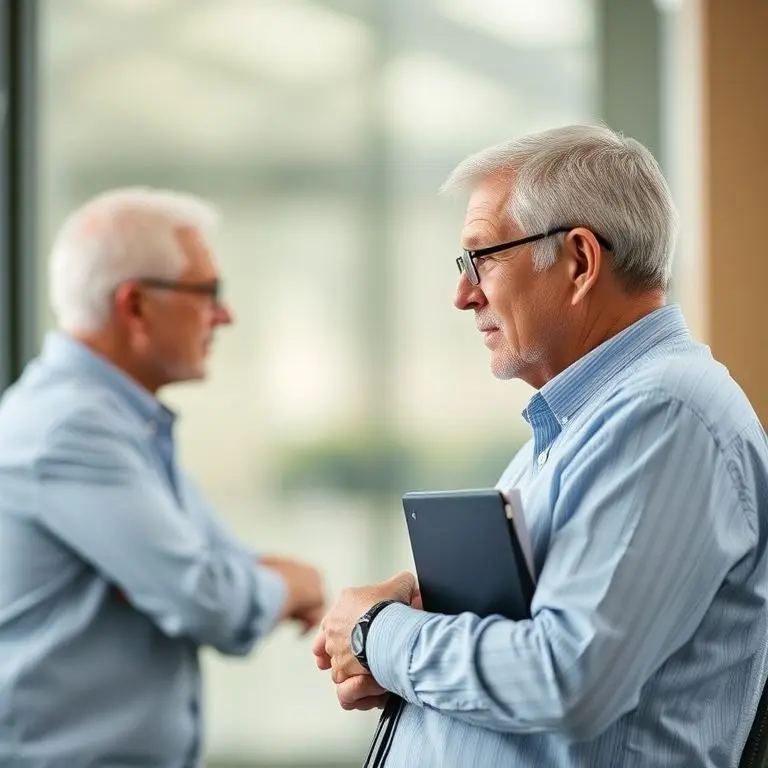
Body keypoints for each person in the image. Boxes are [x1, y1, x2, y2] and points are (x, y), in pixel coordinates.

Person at [313, 124, 768, 766]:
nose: (462, 294)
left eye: (483, 257)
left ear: (580, 262)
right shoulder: (579, 424)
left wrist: (378, 634)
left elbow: (566, 679)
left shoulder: (666, 415)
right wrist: (421, 614)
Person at [0, 188, 326, 767]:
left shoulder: (120, 419)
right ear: (136, 306)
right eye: (208, 294)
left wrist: (208, 578)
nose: (224, 316)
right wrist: (293, 586)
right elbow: (209, 602)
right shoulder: (72, 428)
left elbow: (216, 565)